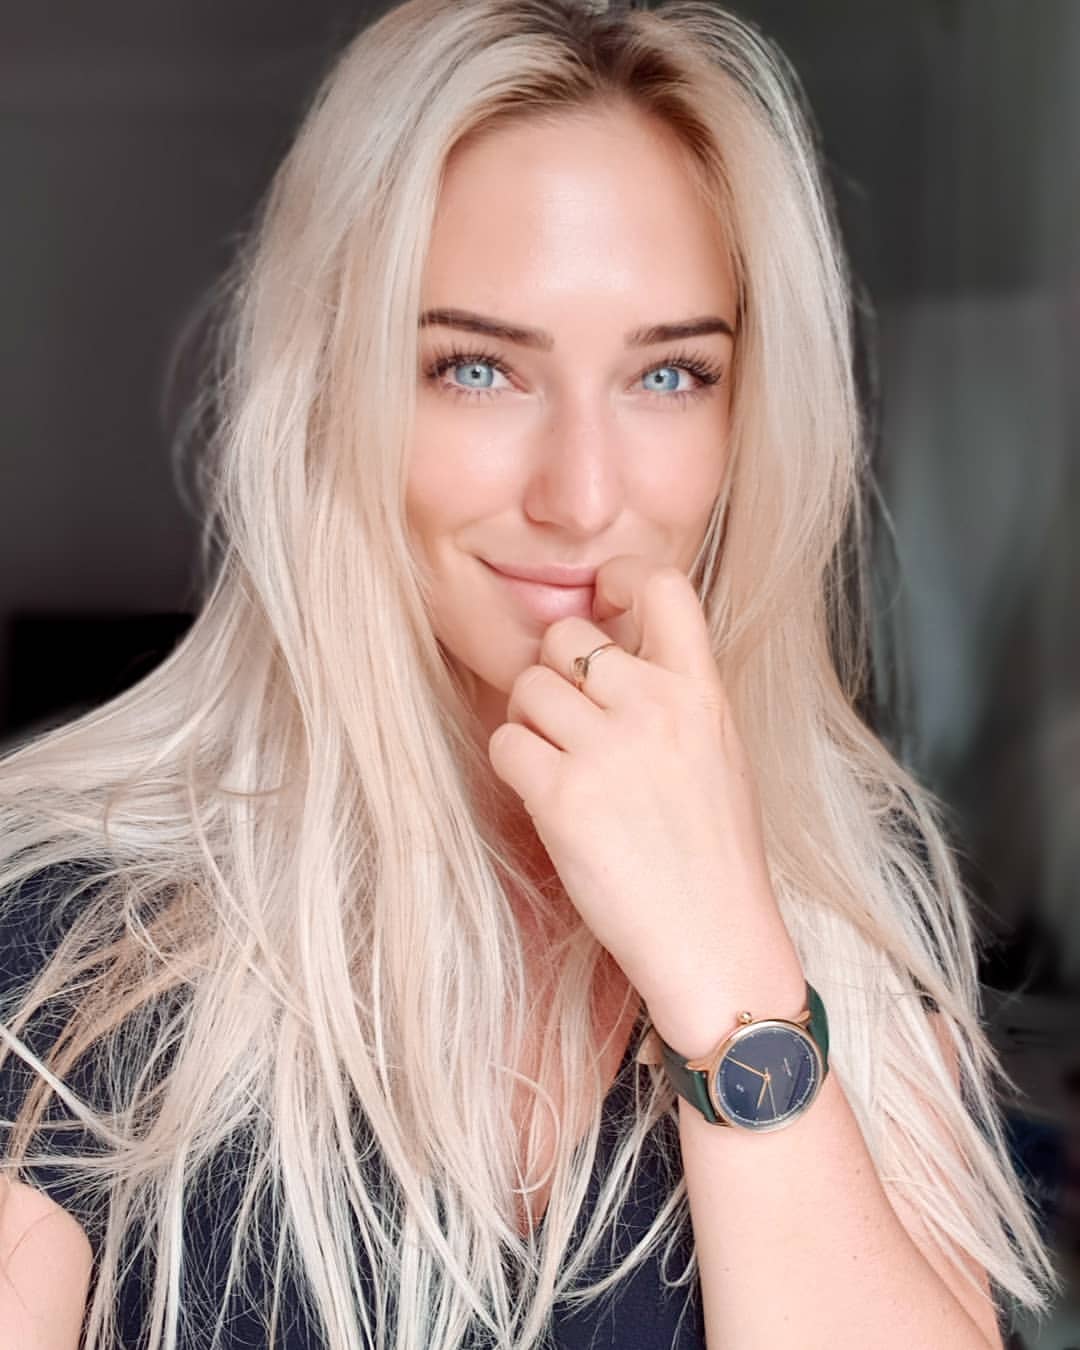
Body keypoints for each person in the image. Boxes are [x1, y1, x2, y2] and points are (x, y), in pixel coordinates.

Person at [0, 1, 1062, 1347]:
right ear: (333, 386)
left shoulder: (850, 922)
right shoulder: (71, 933)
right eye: (477, 368)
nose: (583, 494)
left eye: (669, 375)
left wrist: (727, 964)